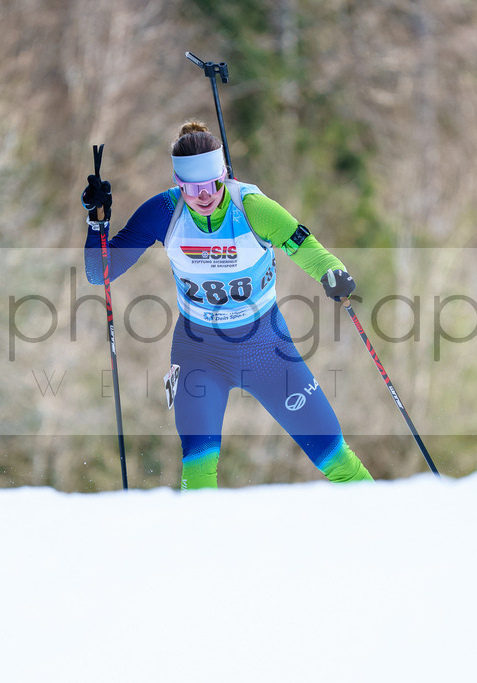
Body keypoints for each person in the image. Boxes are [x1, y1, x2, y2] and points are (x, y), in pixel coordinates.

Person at [82, 121, 373, 489]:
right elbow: (101, 273)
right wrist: (97, 223)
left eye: (213, 185)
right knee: (199, 472)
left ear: (224, 175)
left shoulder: (253, 208)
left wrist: (333, 272)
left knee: (336, 459)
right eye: (192, 188)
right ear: (177, 184)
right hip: (199, 353)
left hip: (267, 349)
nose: (204, 195)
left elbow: (307, 248)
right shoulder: (163, 212)